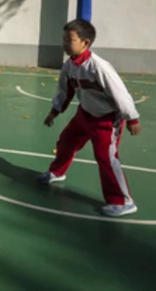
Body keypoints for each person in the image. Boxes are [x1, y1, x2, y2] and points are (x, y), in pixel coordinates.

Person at [39, 19, 141, 217]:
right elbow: (64, 91)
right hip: (84, 115)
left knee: (106, 158)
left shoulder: (98, 67)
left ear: (85, 43)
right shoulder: (69, 66)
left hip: (106, 120)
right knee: (66, 141)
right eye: (64, 39)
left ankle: (123, 202)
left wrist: (132, 119)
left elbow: (120, 93)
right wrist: (54, 111)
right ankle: (57, 172)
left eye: (69, 40)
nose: (65, 43)